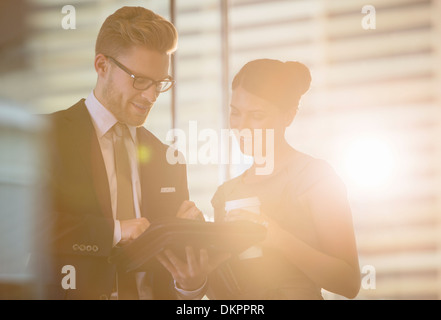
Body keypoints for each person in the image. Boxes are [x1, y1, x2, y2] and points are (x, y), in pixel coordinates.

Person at [44, 6, 216, 300]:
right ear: (102, 66)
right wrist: (115, 231)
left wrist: (190, 281)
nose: (150, 96)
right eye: (140, 80)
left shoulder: (166, 159)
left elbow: (176, 288)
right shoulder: (44, 137)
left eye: (159, 83)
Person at [208, 59, 361, 299]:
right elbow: (226, 294)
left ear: (288, 116)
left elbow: (349, 283)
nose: (241, 127)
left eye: (257, 115)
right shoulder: (225, 195)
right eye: (235, 113)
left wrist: (278, 239)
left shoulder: (315, 177)